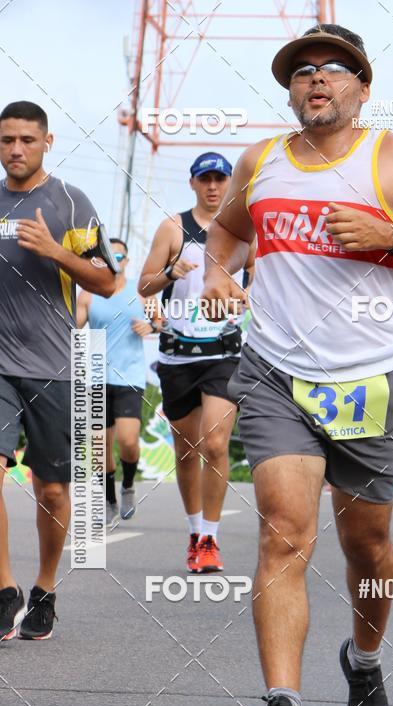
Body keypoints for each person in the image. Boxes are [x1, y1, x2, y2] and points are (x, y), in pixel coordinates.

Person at [201, 23, 393, 706]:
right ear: (289, 91)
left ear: (361, 87)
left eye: (332, 69)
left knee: (368, 546)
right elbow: (224, 234)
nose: (315, 79)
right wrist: (217, 274)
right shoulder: (261, 161)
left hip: (369, 381)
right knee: (283, 535)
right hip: (275, 375)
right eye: (301, 72)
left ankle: (362, 659)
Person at [0, 101, 115, 641]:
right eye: (6, 140)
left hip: (54, 368)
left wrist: (53, 250)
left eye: (26, 139)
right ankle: (5, 590)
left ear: (47, 142)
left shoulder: (71, 203)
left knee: (50, 490)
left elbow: (107, 282)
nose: (15, 149)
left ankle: (44, 587)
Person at [138, 153, 254, 574]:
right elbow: (144, 286)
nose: (212, 187)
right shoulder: (174, 228)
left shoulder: (244, 231)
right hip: (177, 353)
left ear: (229, 184)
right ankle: (193, 533)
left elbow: (258, 281)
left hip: (224, 351)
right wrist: (170, 272)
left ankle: (210, 538)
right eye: (204, 179)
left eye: (220, 180)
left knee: (216, 443)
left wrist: (246, 298)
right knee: (187, 452)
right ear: (192, 184)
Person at [77, 238, 160, 525]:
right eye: (109, 255)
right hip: (97, 377)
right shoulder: (88, 293)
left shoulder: (141, 292)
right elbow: (71, 325)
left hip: (130, 378)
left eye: (120, 255)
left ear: (127, 260)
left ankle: (127, 485)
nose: (116, 260)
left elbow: (160, 321)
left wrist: (150, 325)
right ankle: (110, 500)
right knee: (100, 448)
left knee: (127, 441)